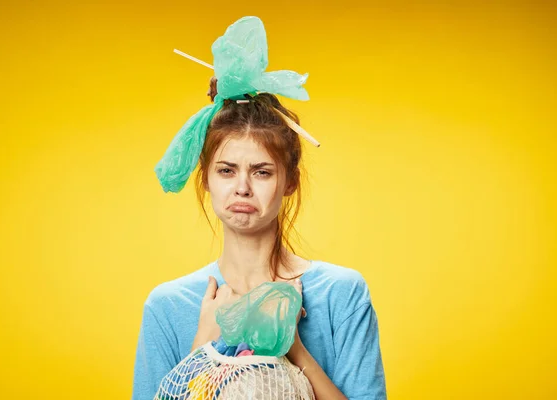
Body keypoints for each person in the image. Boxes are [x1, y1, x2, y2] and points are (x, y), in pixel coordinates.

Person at [132, 84, 388, 398]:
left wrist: (294, 348)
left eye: (261, 172)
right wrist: (203, 346)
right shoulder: (169, 306)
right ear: (206, 179)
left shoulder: (341, 294)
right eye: (226, 170)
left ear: (290, 181)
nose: (242, 188)